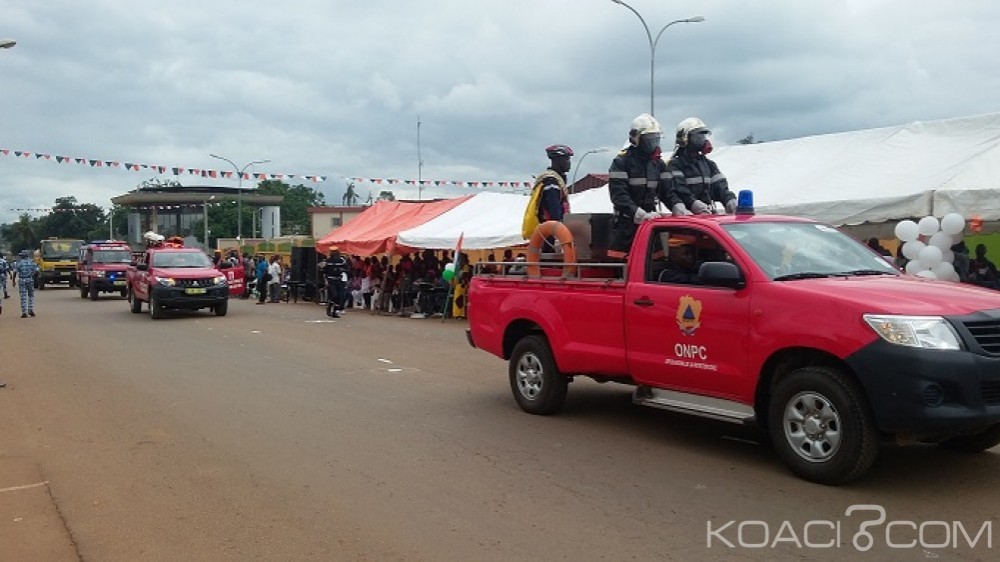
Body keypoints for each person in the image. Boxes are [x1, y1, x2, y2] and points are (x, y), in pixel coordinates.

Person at [608, 113, 676, 259]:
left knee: (655, 266)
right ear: (636, 138)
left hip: (650, 225)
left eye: (656, 139)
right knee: (624, 270)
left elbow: (668, 193)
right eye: (649, 140)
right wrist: (640, 214)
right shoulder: (621, 162)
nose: (654, 144)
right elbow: (619, 197)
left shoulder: (658, 164)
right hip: (626, 228)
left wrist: (679, 207)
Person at [665, 117, 738, 215]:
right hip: (686, 217)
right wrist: (693, 203)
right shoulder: (674, 165)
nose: (702, 141)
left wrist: (730, 200)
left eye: (703, 137)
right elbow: (680, 190)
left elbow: (721, 188)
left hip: (707, 215)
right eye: (698, 138)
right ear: (684, 139)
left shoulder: (708, 164)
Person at [323, 248, 348, 318]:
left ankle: (334, 312)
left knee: (340, 296)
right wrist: (326, 279)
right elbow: (324, 271)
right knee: (335, 295)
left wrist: (343, 270)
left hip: (339, 279)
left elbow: (346, 268)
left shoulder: (341, 260)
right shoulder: (327, 261)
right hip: (331, 280)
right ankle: (330, 305)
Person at [14, 249, 39, 318]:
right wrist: (32, 275)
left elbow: (15, 272)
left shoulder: (19, 263)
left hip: (22, 280)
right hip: (30, 279)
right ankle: (31, 310)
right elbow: (36, 271)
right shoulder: (32, 262)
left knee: (23, 296)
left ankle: (24, 312)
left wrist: (13, 281)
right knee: (31, 295)